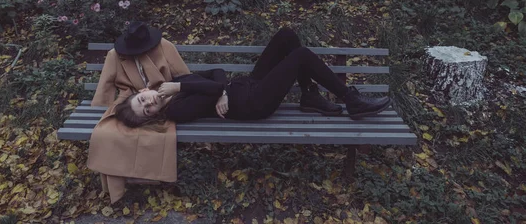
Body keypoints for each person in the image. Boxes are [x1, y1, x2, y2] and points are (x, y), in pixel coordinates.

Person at [114, 28, 391, 127]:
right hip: (254, 104)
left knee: (286, 37)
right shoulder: (177, 110)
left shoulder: (169, 86)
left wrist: (219, 91)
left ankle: (309, 95)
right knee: (301, 55)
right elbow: (212, 84)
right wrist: (180, 85)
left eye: (142, 99)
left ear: (142, 91)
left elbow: (217, 75)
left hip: (247, 85)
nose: (149, 102)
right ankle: (349, 99)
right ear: (151, 116)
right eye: (146, 109)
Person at [86, 21, 191, 204]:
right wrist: (101, 107)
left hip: (160, 98)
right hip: (129, 100)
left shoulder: (164, 46)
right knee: (108, 133)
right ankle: (119, 181)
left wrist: (177, 93)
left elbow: (183, 75)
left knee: (158, 133)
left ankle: (148, 176)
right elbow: (107, 82)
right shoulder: (115, 55)